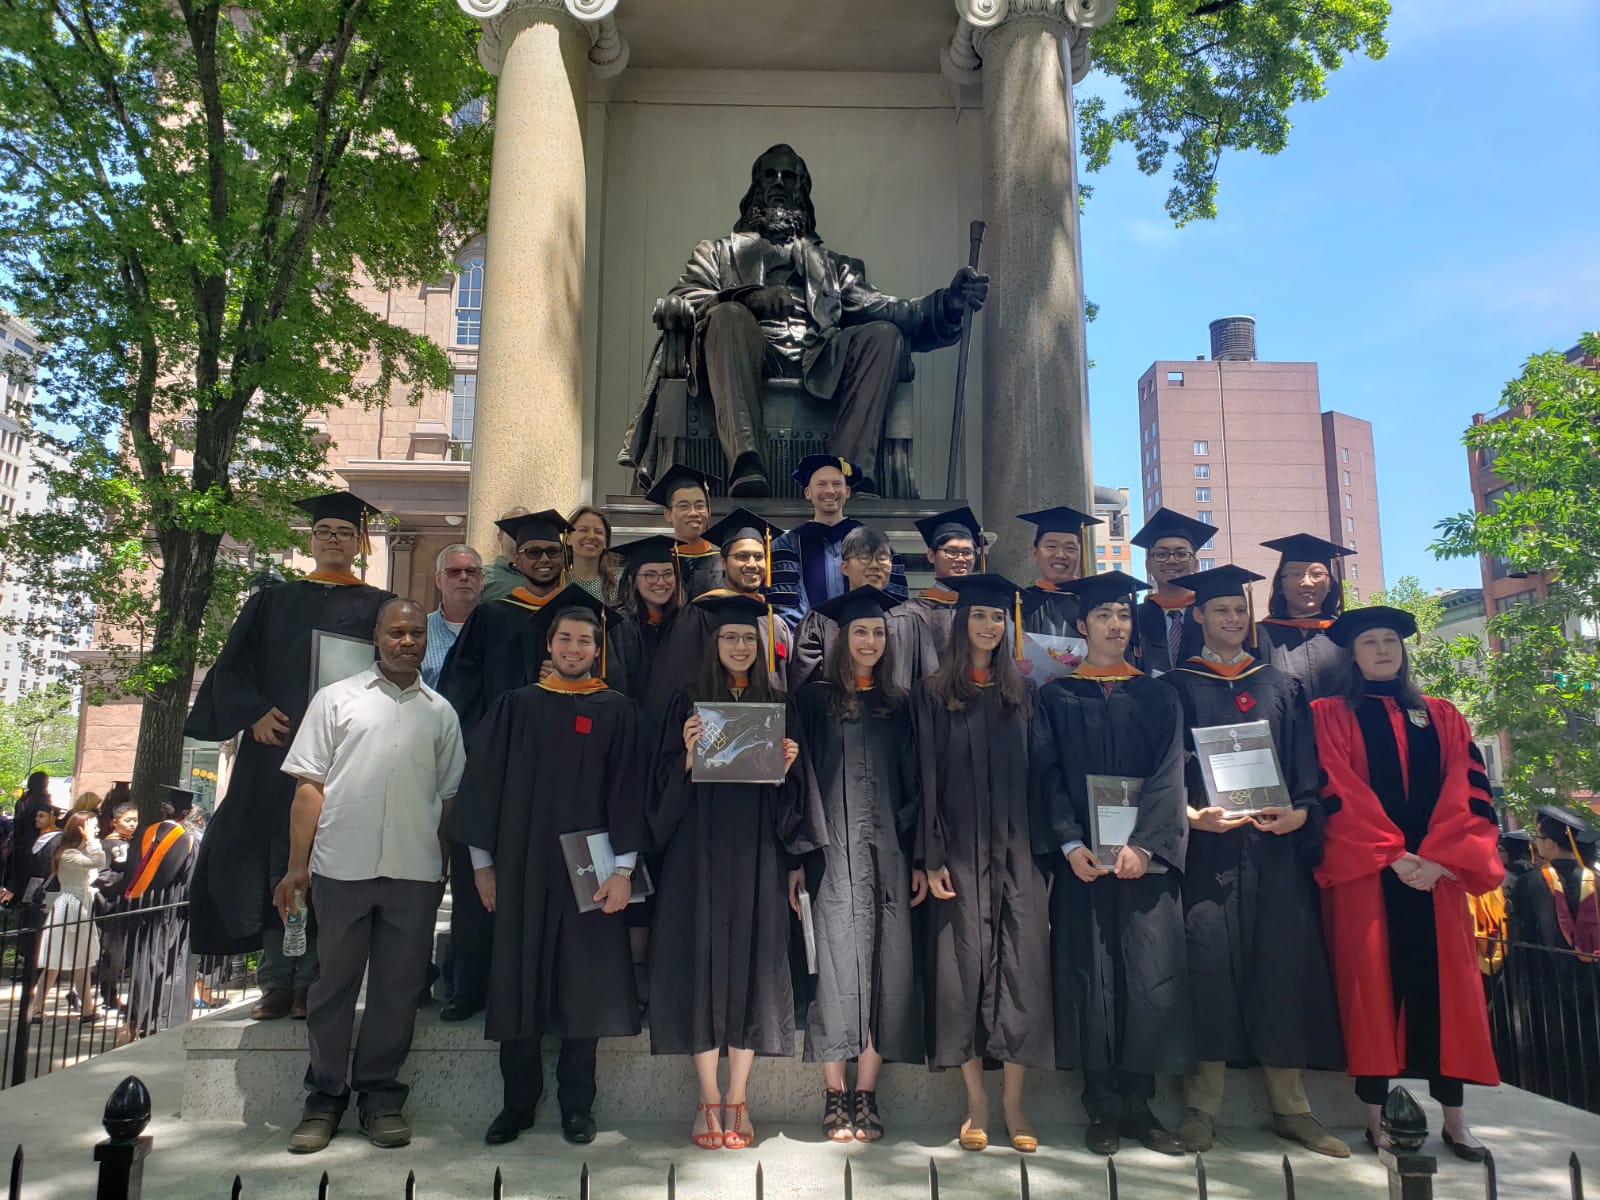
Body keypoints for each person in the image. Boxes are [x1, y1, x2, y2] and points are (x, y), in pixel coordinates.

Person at [618, 143, 988, 495]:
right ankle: (747, 464)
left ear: (802, 191)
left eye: (789, 177)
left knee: (883, 334)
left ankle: (848, 476)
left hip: (818, 360)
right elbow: (688, 297)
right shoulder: (717, 254)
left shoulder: (832, 266)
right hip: (744, 357)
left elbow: (890, 309)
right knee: (728, 315)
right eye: (769, 176)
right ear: (755, 187)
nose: (778, 184)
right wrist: (752, 299)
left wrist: (948, 302)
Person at [184, 491, 393, 1022]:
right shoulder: (271, 601)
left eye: (344, 533)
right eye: (324, 532)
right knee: (274, 862)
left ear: (359, 543)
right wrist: (254, 713)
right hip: (274, 755)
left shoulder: (377, 606)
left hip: (343, 759)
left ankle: (316, 982)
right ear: (311, 539)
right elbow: (230, 669)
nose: (333, 541)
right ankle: (276, 980)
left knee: (331, 865)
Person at [1160, 565, 1347, 1157]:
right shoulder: (1175, 686)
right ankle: (1202, 1108)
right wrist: (1190, 816)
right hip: (1208, 851)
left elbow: (1303, 766)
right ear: (1198, 618)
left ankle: (1292, 1108)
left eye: (1239, 611)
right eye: (1220, 612)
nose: (1232, 620)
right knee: (1207, 971)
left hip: (1271, 853)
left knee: (1280, 969)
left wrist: (1302, 811)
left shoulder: (1281, 684)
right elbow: (1162, 771)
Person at [267, 598, 464, 1152]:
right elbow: (309, 787)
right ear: (377, 637)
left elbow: (449, 801)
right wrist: (297, 866)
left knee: (398, 992)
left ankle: (379, 1099)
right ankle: (324, 1100)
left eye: (416, 634)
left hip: (414, 872)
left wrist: (442, 869)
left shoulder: (440, 713)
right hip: (341, 868)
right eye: (396, 632)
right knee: (333, 986)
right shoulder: (336, 701)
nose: (407, 642)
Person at [449, 592, 644, 1146]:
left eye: (586, 641)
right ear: (549, 645)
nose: (576, 648)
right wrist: (482, 866)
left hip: (592, 871)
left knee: (584, 988)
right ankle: (517, 1104)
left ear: (597, 650)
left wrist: (624, 870)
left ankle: (577, 1107)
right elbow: (482, 788)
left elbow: (629, 794)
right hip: (522, 867)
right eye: (566, 639)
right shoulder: (515, 706)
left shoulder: (618, 710)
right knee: (517, 980)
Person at [1312, 605, 1503, 1160]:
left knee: (1449, 994)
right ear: (1353, 653)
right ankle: (1376, 1120)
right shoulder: (1330, 714)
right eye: (1369, 641)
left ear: (1403, 649)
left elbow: (1468, 791)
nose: (1381, 649)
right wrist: (1393, 855)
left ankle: (1456, 1119)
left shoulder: (1442, 715)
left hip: (1436, 880)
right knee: (1369, 991)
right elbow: (1336, 788)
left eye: (1390, 640)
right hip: (1370, 876)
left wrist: (1440, 859)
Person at [647, 592, 820, 1152]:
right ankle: (705, 1098)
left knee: (751, 966)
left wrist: (787, 770)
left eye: (748, 638)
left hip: (758, 855)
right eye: (729, 637)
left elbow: (792, 798)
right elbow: (659, 791)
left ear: (760, 646)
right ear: (713, 643)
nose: (739, 645)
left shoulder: (777, 703)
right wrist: (690, 759)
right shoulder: (688, 702)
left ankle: (738, 1097)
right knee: (699, 963)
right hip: (695, 853)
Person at [436, 511, 623, 1022]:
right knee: (487, 890)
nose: (543, 561)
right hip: (507, 772)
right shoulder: (492, 615)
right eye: (533, 553)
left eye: (552, 553)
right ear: (516, 560)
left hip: (572, 776)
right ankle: (470, 986)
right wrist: (489, 750)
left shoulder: (581, 619)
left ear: (565, 557)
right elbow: (459, 691)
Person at [1029, 569, 1189, 1157]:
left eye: (1123, 617)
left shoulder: (1158, 694)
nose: (1115, 626)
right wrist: (1070, 845)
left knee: (1146, 978)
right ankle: (1099, 1104)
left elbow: (1171, 776)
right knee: (1087, 976)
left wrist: (1144, 846)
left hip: (1140, 865)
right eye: (1103, 617)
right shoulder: (1056, 696)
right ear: (1081, 626)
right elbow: (1045, 776)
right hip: (1084, 867)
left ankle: (1140, 1105)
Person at [914, 573, 1051, 1153]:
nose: (990, 627)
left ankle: (1015, 1104)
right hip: (959, 857)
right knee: (960, 972)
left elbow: (1044, 779)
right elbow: (924, 780)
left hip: (1017, 853)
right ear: (960, 622)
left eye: (998, 618)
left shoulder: (1024, 693)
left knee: (1021, 971)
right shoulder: (932, 693)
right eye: (980, 617)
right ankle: (975, 1104)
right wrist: (931, 855)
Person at [794, 586, 923, 1143]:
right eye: (859, 632)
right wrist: (796, 858)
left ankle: (866, 1095)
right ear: (841, 639)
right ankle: (833, 1093)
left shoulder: (902, 703)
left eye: (878, 632)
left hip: (890, 854)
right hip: (829, 854)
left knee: (886, 965)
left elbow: (920, 786)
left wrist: (921, 857)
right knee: (838, 968)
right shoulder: (812, 701)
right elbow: (796, 786)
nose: (869, 641)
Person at [646, 508, 793, 717]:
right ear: (723, 561)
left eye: (758, 556)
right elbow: (674, 685)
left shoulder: (775, 622)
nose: (752, 564)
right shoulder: (698, 615)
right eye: (742, 556)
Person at [1505, 805, 1600, 1109]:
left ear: (1548, 843)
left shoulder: (1530, 884)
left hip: (1544, 987)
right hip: (1592, 985)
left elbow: (1518, 939)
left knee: (1552, 1050)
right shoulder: (1596, 880)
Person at [768, 454, 906, 626]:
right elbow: (784, 605)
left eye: (837, 484)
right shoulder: (787, 545)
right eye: (821, 484)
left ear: (847, 492)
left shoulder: (874, 542)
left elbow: (891, 598)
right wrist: (808, 639)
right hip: (807, 644)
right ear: (808, 492)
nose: (830, 491)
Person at [787, 525, 926, 690]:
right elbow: (805, 690)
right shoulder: (819, 621)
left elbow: (925, 689)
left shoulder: (911, 623)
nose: (875, 565)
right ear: (844, 567)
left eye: (882, 557)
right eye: (864, 557)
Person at [123, 786, 202, 1037]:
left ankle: (138, 1018)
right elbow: (191, 883)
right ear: (187, 812)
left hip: (143, 909)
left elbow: (131, 873)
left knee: (143, 963)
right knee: (170, 965)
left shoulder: (145, 834)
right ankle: (164, 1021)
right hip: (172, 914)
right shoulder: (187, 840)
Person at [1256, 533, 1355, 700]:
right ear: (1280, 585)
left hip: (1338, 725)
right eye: (1295, 574)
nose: (1307, 582)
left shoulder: (1347, 635)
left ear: (1330, 584)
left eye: (1317, 574)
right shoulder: (1257, 637)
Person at [31, 811, 105, 1024]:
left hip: (82, 905)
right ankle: (36, 1008)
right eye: (91, 826)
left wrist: (90, 841)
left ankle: (88, 1010)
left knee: (82, 960)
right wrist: (92, 840)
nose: (96, 830)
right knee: (55, 960)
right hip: (70, 906)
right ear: (79, 829)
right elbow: (98, 861)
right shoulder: (68, 854)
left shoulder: (79, 851)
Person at [1125, 508, 1216, 676]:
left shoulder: (1212, 616)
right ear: (1148, 565)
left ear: (1196, 564)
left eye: (1181, 554)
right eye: (1161, 554)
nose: (1171, 560)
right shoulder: (1133, 618)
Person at [903, 506, 983, 664]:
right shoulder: (911, 613)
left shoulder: (983, 609)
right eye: (951, 551)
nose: (961, 559)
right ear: (931, 556)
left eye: (967, 553)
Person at [610, 535, 682, 708]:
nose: (661, 582)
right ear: (632, 580)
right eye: (650, 575)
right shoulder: (619, 625)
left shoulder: (684, 623)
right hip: (632, 722)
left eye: (668, 574)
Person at [1017, 504, 1101, 639]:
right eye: (1051, 546)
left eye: (1070, 548)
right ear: (1034, 553)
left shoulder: (1094, 603)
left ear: (1081, 554)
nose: (1061, 555)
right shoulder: (1019, 602)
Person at [645, 465, 724, 601]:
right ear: (668, 514)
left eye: (700, 506)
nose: (693, 513)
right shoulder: (658, 563)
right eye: (683, 506)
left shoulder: (723, 562)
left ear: (709, 512)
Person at [95, 800, 141, 1012]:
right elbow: (102, 876)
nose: (133, 824)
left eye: (135, 820)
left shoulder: (133, 842)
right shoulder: (107, 845)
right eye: (128, 820)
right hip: (112, 905)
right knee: (111, 953)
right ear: (115, 822)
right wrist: (122, 879)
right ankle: (108, 993)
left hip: (129, 903)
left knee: (124, 952)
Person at [421, 544, 484, 688]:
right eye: (454, 572)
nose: (463, 577)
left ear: (481, 580)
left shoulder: (499, 630)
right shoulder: (420, 631)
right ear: (438, 580)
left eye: (471, 571)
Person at [0, 770, 54, 905]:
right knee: (30, 878)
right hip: (34, 842)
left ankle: (12, 902)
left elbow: (17, 823)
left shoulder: (22, 801)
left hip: (19, 844)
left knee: (17, 877)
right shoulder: (41, 800)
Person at [479, 506, 532, 604]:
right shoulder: (481, 576)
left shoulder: (547, 573)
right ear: (500, 537)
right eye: (514, 527)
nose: (521, 532)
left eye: (527, 528)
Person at [567, 505, 617, 605]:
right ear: (568, 538)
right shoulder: (556, 585)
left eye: (598, 532)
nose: (591, 536)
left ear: (605, 542)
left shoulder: (616, 588)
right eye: (583, 530)